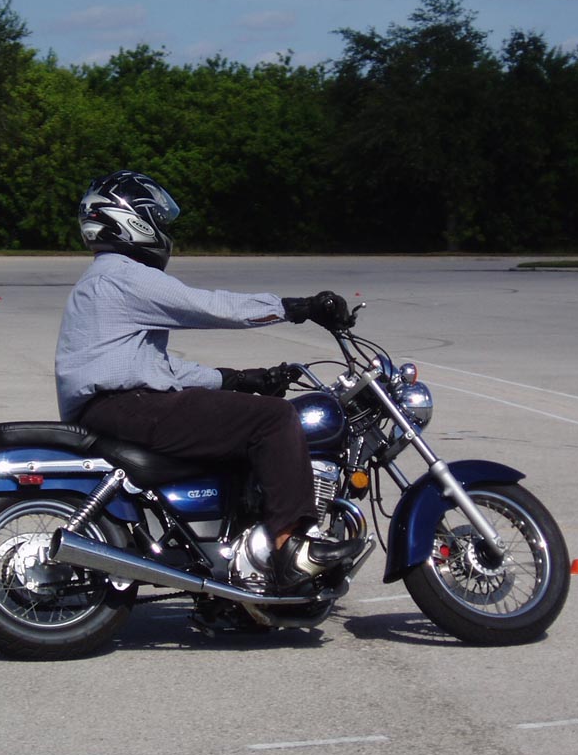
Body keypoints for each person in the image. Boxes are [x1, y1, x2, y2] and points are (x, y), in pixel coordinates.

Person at [54, 169, 362, 594]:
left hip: (119, 407)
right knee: (274, 419)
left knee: (242, 430)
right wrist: (297, 308)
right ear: (131, 219)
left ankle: (240, 557)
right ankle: (292, 550)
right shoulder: (123, 275)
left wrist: (236, 379)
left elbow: (156, 367)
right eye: (156, 218)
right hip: (128, 406)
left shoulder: (104, 279)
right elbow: (211, 307)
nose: (164, 228)